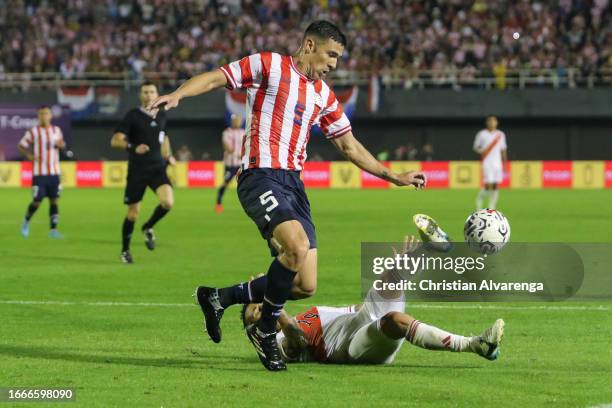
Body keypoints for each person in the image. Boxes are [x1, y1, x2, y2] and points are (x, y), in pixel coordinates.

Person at [151, 20, 426, 371]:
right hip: (259, 174)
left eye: (339, 58)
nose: (334, 65)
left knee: (304, 284)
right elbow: (218, 76)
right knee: (295, 248)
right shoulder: (269, 65)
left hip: (294, 185)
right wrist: (178, 94)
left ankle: (219, 297)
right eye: (331, 55)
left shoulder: (323, 95)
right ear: (309, 45)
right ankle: (266, 332)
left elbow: (347, 144)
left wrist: (393, 176)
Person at [243, 231, 504, 366]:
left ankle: (426, 250)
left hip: (357, 320)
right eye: (256, 312)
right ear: (253, 331)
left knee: (393, 275)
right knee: (395, 320)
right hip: (349, 348)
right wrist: (274, 303)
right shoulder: (272, 343)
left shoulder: (306, 316)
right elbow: (297, 344)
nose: (262, 309)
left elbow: (351, 310)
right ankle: (475, 344)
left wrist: (389, 281)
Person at [111, 82, 176, 264]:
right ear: (140, 95)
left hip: (157, 168)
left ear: (157, 93)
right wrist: (133, 147)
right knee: (132, 213)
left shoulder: (162, 115)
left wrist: (169, 156)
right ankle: (125, 250)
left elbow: (164, 138)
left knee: (168, 202)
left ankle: (148, 227)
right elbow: (115, 141)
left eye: (152, 91)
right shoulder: (133, 115)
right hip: (138, 169)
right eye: (145, 92)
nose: (149, 95)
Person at [18, 106, 66, 238]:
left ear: (50, 115)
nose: (44, 116)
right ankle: (26, 222)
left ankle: (53, 230)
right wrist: (29, 155)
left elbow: (61, 144)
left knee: (54, 201)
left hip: (54, 172)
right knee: (37, 201)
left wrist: (62, 146)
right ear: (38, 116)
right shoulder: (33, 131)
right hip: (39, 173)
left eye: (46, 113)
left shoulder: (57, 130)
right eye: (41, 114)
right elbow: (21, 145)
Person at [473, 116, 507, 209]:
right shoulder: (482, 134)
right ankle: (479, 200)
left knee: (496, 185)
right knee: (488, 185)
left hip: (497, 163)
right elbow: (476, 147)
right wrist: (481, 151)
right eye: (490, 121)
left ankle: (492, 207)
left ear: (497, 123)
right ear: (487, 122)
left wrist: (505, 163)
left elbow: (503, 149)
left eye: (494, 121)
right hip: (487, 162)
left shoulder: (501, 134)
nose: (492, 122)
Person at [215, 114, 245, 213]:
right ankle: (218, 203)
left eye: (239, 120)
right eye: (236, 120)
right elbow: (227, 147)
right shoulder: (227, 132)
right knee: (225, 183)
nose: (238, 122)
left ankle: (247, 205)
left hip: (241, 164)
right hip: (230, 164)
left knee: (245, 184)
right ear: (232, 121)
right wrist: (236, 153)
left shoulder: (244, 132)